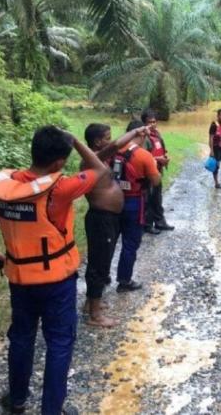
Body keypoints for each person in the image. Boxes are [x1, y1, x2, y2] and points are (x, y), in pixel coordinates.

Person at [0, 126, 108, 415]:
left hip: (20, 281)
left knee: (22, 337)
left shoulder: (4, 189)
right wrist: (75, 140)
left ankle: (17, 400)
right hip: (57, 283)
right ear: (59, 163)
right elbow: (100, 169)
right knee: (59, 343)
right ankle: (51, 410)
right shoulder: (60, 189)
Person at [82, 123, 149, 328]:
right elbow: (117, 146)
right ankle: (94, 315)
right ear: (97, 142)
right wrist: (135, 132)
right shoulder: (92, 160)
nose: (111, 141)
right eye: (107, 137)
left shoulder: (98, 159)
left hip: (108, 218)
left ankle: (92, 303)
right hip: (101, 218)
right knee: (99, 264)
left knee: (101, 262)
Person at [114, 120, 161, 293]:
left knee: (111, 241)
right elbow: (156, 181)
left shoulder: (113, 151)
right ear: (140, 134)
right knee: (130, 242)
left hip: (112, 200)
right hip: (134, 201)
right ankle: (124, 280)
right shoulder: (144, 155)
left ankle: (102, 278)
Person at [141, 108, 174, 234]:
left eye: (154, 122)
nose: (152, 125)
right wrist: (158, 159)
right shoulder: (144, 138)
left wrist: (165, 156)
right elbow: (143, 156)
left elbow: (161, 149)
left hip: (158, 171)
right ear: (144, 123)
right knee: (149, 199)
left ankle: (160, 222)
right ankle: (148, 225)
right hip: (149, 173)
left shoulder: (157, 134)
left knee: (157, 198)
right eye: (149, 122)